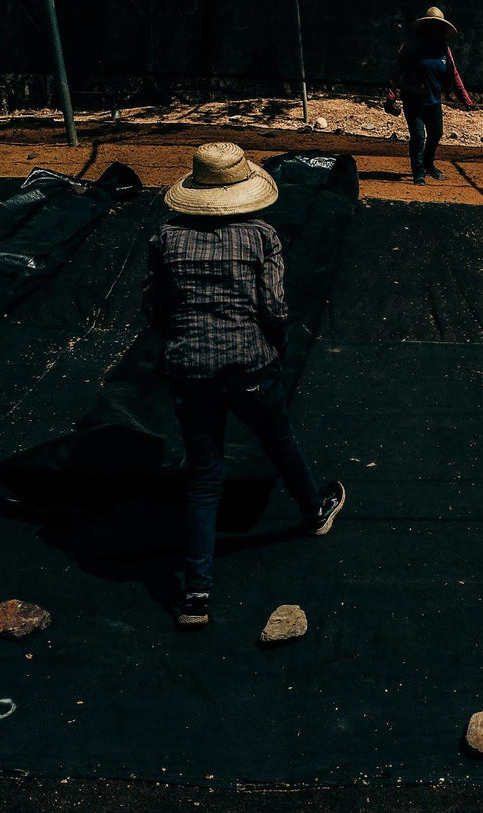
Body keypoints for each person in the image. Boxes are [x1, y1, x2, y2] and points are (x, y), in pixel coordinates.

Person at [143, 142, 345, 628]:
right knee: (279, 441)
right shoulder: (260, 236)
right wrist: (271, 347)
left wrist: (183, 340)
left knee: (205, 477)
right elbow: (274, 307)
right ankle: (315, 510)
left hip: (190, 370)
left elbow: (155, 306)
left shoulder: (166, 239)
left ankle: (195, 594)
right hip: (249, 365)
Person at [385, 6, 474, 185]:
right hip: (413, 100)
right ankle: (418, 171)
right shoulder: (412, 47)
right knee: (418, 136)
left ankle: (428, 164)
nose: (436, 29)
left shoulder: (444, 50)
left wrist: (465, 99)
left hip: (434, 101)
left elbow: (454, 74)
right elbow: (397, 71)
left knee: (436, 133)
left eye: (438, 26)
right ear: (426, 27)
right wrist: (391, 96)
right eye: (432, 25)